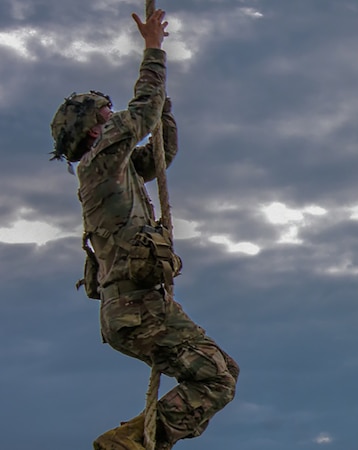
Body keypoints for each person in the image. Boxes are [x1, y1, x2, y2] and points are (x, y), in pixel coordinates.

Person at [50, 9, 239, 450]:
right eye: (106, 114)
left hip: (138, 308)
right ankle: (131, 444)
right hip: (136, 311)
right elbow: (142, 113)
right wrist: (154, 51)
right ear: (95, 126)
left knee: (224, 371)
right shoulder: (99, 163)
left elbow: (160, 152)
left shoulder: (116, 171)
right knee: (215, 380)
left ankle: (137, 438)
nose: (112, 117)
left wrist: (164, 102)